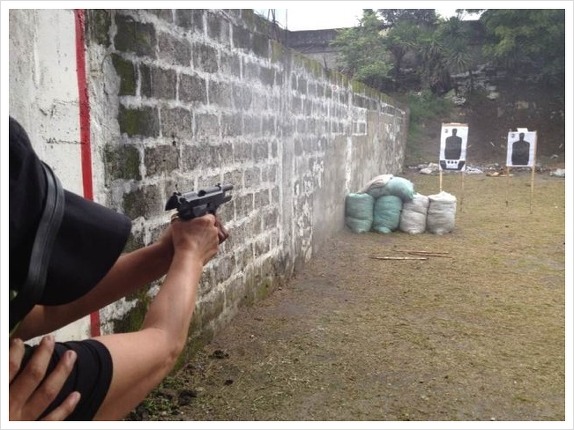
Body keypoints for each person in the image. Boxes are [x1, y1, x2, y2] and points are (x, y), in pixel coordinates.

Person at [9, 116, 228, 420]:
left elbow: (33, 313)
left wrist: (164, 254)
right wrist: (191, 255)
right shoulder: (21, 393)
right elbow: (161, 347)